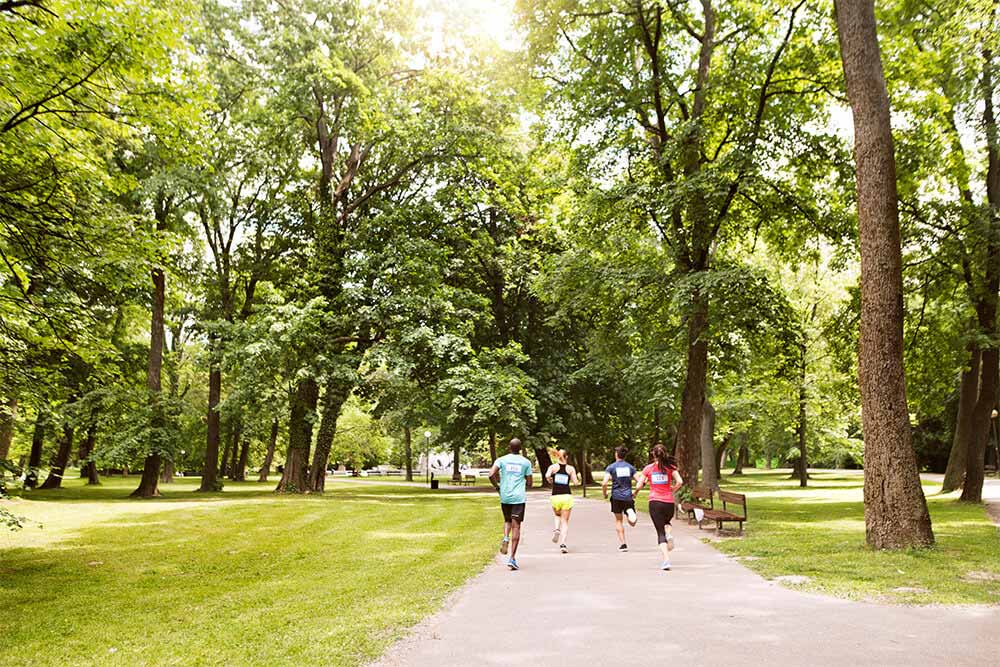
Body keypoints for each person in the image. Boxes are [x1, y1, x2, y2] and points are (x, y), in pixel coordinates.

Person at [633, 443, 683, 570]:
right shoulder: (671, 467)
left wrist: (635, 493)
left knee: (660, 532)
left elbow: (639, 485)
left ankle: (666, 560)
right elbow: (680, 482)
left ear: (653, 455)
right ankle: (669, 534)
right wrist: (673, 488)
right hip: (669, 502)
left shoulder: (648, 469)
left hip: (655, 502)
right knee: (667, 522)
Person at [489, 438, 534, 570]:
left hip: (505, 497)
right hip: (518, 498)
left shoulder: (501, 460)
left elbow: (491, 474)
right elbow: (530, 482)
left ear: (509, 447)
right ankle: (512, 558)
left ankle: (505, 538)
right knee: (516, 526)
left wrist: (497, 487)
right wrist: (526, 483)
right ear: (520, 449)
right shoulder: (525, 462)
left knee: (507, 521)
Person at [602, 445, 639, 551]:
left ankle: (623, 544)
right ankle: (630, 512)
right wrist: (636, 492)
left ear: (616, 455)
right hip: (628, 497)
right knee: (632, 523)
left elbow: (604, 483)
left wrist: (604, 494)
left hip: (616, 497)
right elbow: (640, 481)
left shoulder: (611, 467)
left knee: (618, 520)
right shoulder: (630, 467)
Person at [544, 449, 579, 554]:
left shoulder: (553, 467)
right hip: (566, 496)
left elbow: (547, 476)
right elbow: (576, 483)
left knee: (557, 516)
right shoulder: (570, 468)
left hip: (555, 496)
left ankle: (556, 529)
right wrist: (576, 480)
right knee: (565, 521)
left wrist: (550, 480)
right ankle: (563, 543)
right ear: (567, 457)